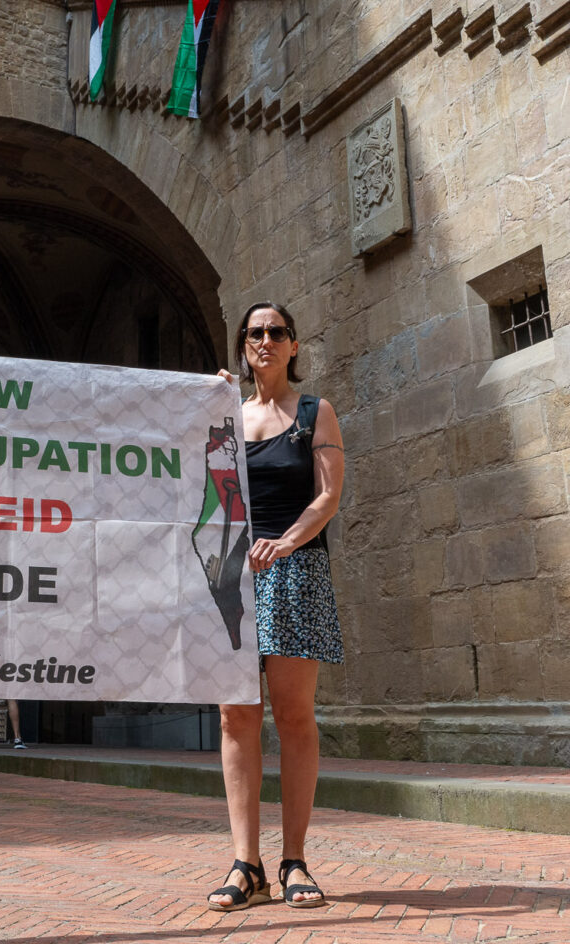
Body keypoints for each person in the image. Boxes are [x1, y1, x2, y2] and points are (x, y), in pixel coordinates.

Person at [207, 302, 345, 913]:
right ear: (243, 345)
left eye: (276, 332)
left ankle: (294, 860)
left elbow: (328, 494)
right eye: (254, 333)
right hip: (231, 575)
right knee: (235, 716)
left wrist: (287, 541)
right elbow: (196, 482)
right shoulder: (226, 415)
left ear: (293, 345)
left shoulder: (315, 412)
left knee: (293, 715)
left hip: (294, 572)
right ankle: (246, 865)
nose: (265, 340)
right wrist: (204, 408)